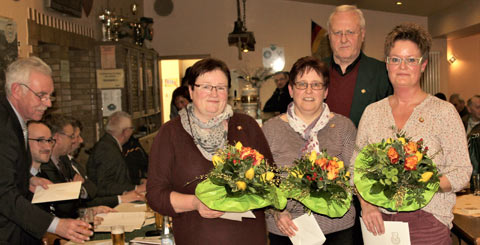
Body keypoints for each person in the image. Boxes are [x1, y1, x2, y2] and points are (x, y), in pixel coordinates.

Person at [353, 23, 472, 244]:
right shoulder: (372, 113)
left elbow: (462, 171)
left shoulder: (443, 112)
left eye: (411, 60)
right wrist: (367, 206)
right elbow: (356, 170)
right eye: (396, 59)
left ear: (423, 65)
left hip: (427, 221)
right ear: (387, 64)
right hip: (379, 223)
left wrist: (420, 185)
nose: (403, 66)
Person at [147, 58, 274, 245]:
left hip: (248, 238)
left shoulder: (247, 126)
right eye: (206, 86)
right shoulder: (171, 133)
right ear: (191, 90)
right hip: (196, 237)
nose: (214, 93)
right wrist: (195, 203)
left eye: (221, 87)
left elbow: (272, 179)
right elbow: (155, 195)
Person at [263, 56, 357, 245]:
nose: (308, 91)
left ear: (325, 91)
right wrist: (276, 211)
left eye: (316, 85)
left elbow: (356, 175)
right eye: (302, 84)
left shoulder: (343, 126)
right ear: (290, 90)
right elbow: (261, 180)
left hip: (337, 228)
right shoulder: (270, 129)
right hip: (286, 228)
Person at [0, 56, 92, 243]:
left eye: (50, 96)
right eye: (41, 95)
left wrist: (27, 180)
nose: (48, 103)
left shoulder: (15, 121)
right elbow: (3, 194)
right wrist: (56, 225)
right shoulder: (4, 126)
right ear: (17, 90)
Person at [325, 5, 393, 127]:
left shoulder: (383, 74)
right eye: (337, 33)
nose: (343, 39)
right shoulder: (314, 71)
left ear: (362, 34)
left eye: (350, 32)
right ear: (329, 35)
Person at [87, 111, 146, 200]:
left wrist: (139, 181)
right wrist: (136, 188)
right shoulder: (106, 149)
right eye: (131, 128)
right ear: (126, 131)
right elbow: (104, 185)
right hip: (108, 204)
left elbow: (119, 178)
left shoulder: (110, 144)